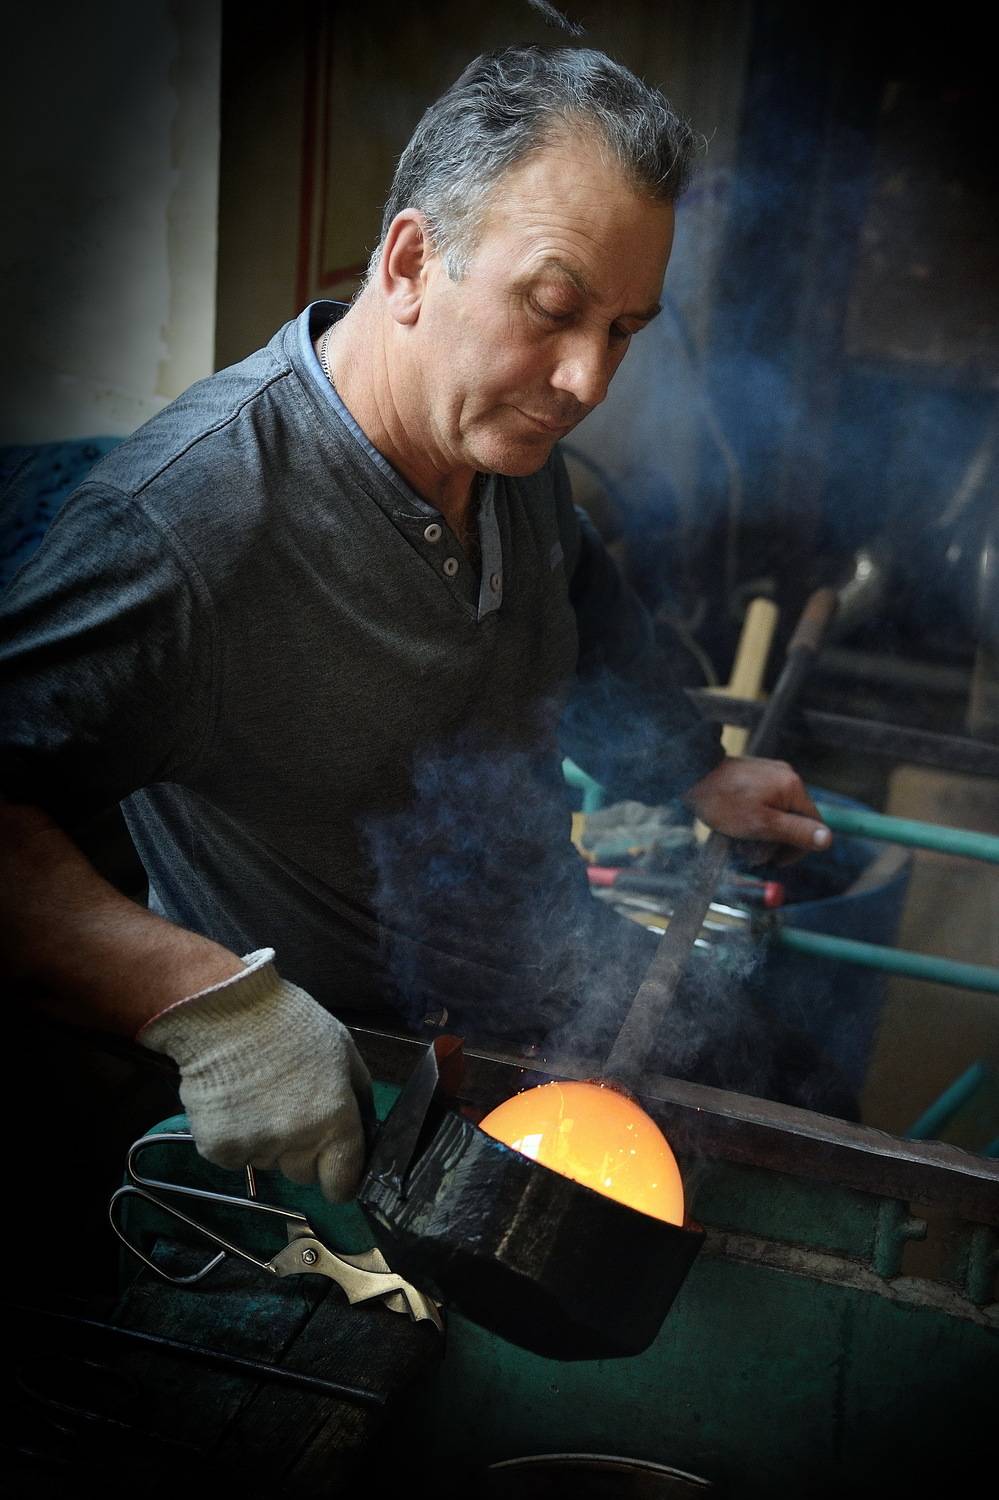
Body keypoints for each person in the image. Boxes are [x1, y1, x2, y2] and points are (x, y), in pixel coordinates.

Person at [0, 46, 835, 1206]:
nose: (588, 381)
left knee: (808, 1092)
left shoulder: (507, 443)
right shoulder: (190, 523)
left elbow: (578, 596)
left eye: (623, 329)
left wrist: (697, 769)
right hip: (348, 1103)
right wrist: (209, 1007)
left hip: (547, 1001)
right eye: (555, 309)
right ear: (407, 263)